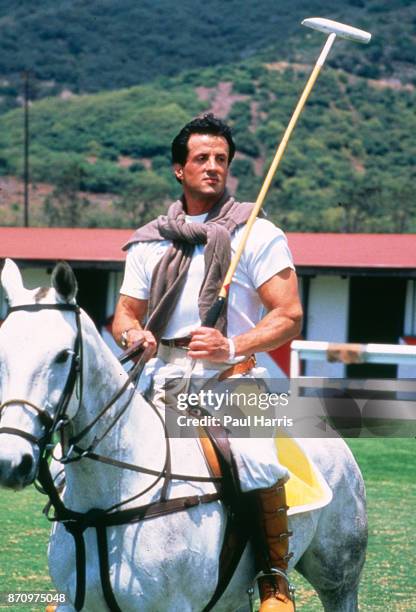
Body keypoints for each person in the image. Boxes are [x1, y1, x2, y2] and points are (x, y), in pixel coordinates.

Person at [112, 113, 302, 611]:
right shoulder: (150, 239)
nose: (213, 166)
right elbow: (124, 317)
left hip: (228, 376)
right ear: (179, 169)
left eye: (221, 159)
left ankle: (272, 578)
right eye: (202, 158)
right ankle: (83, 569)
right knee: (83, 452)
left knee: (258, 461)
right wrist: (137, 336)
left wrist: (232, 346)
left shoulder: (256, 233)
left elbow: (289, 315)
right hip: (156, 377)